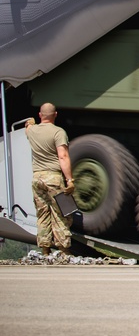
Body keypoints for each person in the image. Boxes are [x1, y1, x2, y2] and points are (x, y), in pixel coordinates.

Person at [25, 103, 75, 256]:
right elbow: (63, 156)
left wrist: (30, 123)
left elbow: (27, 127)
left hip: (37, 178)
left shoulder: (31, 131)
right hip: (53, 177)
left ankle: (45, 249)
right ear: (56, 115)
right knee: (61, 212)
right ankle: (64, 250)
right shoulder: (58, 132)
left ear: (40, 115)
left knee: (43, 213)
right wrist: (70, 180)